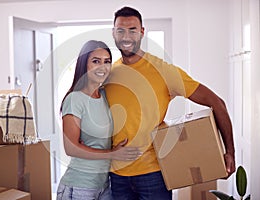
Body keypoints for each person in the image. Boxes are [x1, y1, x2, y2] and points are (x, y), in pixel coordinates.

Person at [104, 6, 236, 200]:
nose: (126, 36)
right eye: (120, 30)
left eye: (132, 30)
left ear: (142, 32)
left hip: (153, 175)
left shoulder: (163, 71)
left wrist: (229, 152)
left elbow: (217, 103)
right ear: (113, 33)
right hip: (116, 176)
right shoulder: (110, 73)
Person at [56, 40, 141, 200]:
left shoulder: (104, 96)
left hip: (103, 186)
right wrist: (112, 153)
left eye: (107, 61)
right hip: (79, 186)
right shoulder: (75, 99)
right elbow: (71, 148)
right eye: (96, 61)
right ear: (84, 64)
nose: (102, 67)